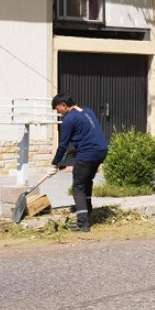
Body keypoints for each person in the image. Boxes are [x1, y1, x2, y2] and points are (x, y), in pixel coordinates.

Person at [51, 93, 109, 232]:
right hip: (101, 151)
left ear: (64, 105)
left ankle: (83, 224)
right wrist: (78, 149)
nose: (59, 113)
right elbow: (88, 133)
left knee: (78, 187)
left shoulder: (69, 119)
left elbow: (63, 144)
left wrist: (54, 164)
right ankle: (88, 214)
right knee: (87, 182)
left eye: (58, 110)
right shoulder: (87, 111)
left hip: (88, 154)